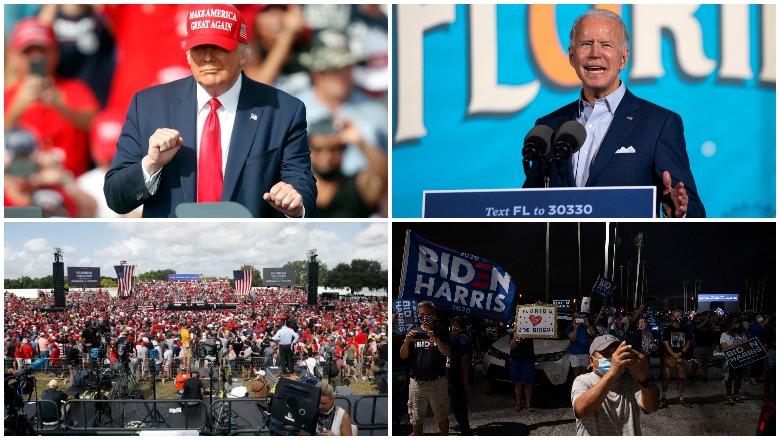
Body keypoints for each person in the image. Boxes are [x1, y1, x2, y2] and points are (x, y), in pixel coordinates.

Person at [103, 4, 317, 218]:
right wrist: (151, 164)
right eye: (198, 48)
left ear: (244, 55)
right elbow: (116, 197)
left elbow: (301, 181)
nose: (207, 58)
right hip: (171, 245)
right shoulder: (148, 106)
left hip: (249, 244)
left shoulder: (284, 110)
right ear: (187, 54)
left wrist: (295, 201)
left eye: (219, 48)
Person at [522, 9, 705, 218]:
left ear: (623, 59)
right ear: (572, 57)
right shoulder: (548, 127)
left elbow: (695, 211)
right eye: (585, 44)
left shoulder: (659, 124)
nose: (594, 53)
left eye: (606, 44)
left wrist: (680, 213)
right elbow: (527, 206)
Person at [5, 17, 100, 178]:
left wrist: (63, 107)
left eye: (42, 51)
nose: (36, 58)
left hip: (72, 184)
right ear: (14, 58)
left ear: (55, 54)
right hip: (22, 184)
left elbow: (97, 125)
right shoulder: (7, 96)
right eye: (27, 52)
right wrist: (17, 108)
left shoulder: (74, 89)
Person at [571, 334, 659, 435]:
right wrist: (612, 373)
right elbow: (582, 411)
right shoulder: (583, 380)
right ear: (591, 361)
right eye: (606, 354)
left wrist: (645, 376)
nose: (613, 359)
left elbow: (651, 407)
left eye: (616, 354)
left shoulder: (630, 379)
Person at [307, 117, 387, 217]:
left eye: (334, 150)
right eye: (318, 150)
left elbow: (384, 175)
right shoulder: (297, 191)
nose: (326, 157)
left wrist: (360, 141)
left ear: (343, 151)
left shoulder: (358, 186)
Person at [398, 301, 451, 436]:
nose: (425, 317)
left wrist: (435, 339)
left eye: (428, 314)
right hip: (417, 382)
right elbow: (403, 356)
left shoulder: (442, 331)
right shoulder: (413, 332)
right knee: (416, 418)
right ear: (417, 315)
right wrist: (406, 341)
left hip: (437, 381)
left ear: (434, 315)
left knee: (442, 415)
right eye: (422, 314)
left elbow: (448, 353)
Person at [447, 316, 475, 436]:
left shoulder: (462, 339)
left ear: (457, 326)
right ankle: (462, 424)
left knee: (458, 404)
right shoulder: (458, 337)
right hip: (455, 377)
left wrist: (464, 380)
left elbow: (464, 360)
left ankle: (465, 430)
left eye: (452, 324)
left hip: (458, 378)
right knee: (458, 403)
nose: (450, 327)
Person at [661, 311, 692, 408]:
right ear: (672, 318)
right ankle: (664, 397)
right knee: (666, 378)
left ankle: (681, 398)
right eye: (677, 316)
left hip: (681, 357)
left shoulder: (685, 329)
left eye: (680, 316)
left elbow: (688, 343)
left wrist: (680, 353)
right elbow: (666, 344)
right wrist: (674, 354)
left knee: (681, 378)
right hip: (669, 357)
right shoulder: (668, 330)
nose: (679, 318)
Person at [720, 317, 748, 404]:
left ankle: (736, 394)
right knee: (729, 377)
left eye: (738, 324)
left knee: (738, 377)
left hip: (740, 358)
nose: (736, 326)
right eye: (734, 324)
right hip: (729, 359)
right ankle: (729, 395)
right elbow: (724, 347)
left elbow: (746, 345)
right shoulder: (724, 334)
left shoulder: (742, 335)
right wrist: (735, 344)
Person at [509, 334, 535, 412]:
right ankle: (518, 403)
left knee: (528, 383)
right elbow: (512, 346)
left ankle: (528, 404)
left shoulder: (530, 331)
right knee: (517, 382)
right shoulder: (513, 332)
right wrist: (515, 336)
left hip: (528, 359)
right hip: (515, 359)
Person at [566, 311, 595, 379]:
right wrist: (575, 328)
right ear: (572, 318)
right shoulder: (569, 328)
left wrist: (588, 325)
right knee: (576, 373)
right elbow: (572, 339)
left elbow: (593, 333)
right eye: (575, 317)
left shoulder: (584, 327)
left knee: (584, 373)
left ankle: (583, 387)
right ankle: (576, 387)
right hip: (575, 353)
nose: (577, 319)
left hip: (585, 352)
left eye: (578, 317)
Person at [690, 313, 715, 383]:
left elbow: (713, 328)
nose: (704, 317)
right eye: (703, 316)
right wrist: (706, 321)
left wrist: (710, 321)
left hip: (708, 345)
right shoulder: (695, 322)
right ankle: (693, 375)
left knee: (706, 362)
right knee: (696, 361)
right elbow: (698, 327)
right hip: (699, 345)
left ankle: (704, 376)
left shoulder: (708, 323)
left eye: (705, 316)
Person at [747, 314, 769, 385]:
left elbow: (765, 332)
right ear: (755, 319)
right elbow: (758, 329)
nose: (760, 318)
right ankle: (753, 378)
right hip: (754, 346)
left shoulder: (763, 325)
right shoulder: (754, 325)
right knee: (755, 363)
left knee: (760, 363)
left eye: (761, 316)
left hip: (761, 345)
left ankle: (757, 377)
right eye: (758, 317)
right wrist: (765, 322)